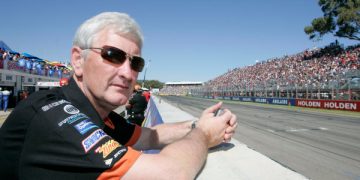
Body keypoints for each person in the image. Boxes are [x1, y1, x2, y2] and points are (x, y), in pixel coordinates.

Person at [0, 12, 237, 179]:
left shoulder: (98, 113)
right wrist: (203, 135)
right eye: (112, 55)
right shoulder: (55, 117)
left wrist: (200, 123)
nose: (127, 72)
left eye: (136, 63)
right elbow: (171, 173)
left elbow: (150, 137)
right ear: (78, 60)